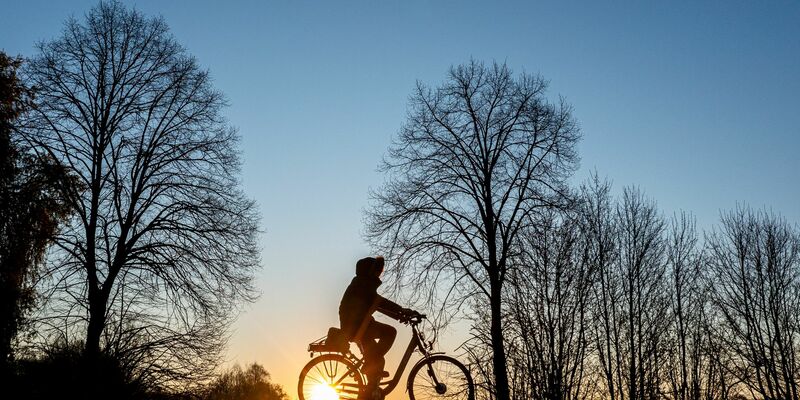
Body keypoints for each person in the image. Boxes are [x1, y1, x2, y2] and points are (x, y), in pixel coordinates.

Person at [339, 256, 417, 400]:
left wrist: (400, 313)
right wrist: (402, 311)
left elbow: (377, 304)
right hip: (357, 327)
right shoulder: (363, 285)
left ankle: (369, 387)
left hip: (361, 326)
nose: (379, 273)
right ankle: (369, 377)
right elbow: (380, 302)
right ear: (369, 271)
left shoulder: (362, 284)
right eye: (377, 270)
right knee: (388, 336)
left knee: (378, 359)